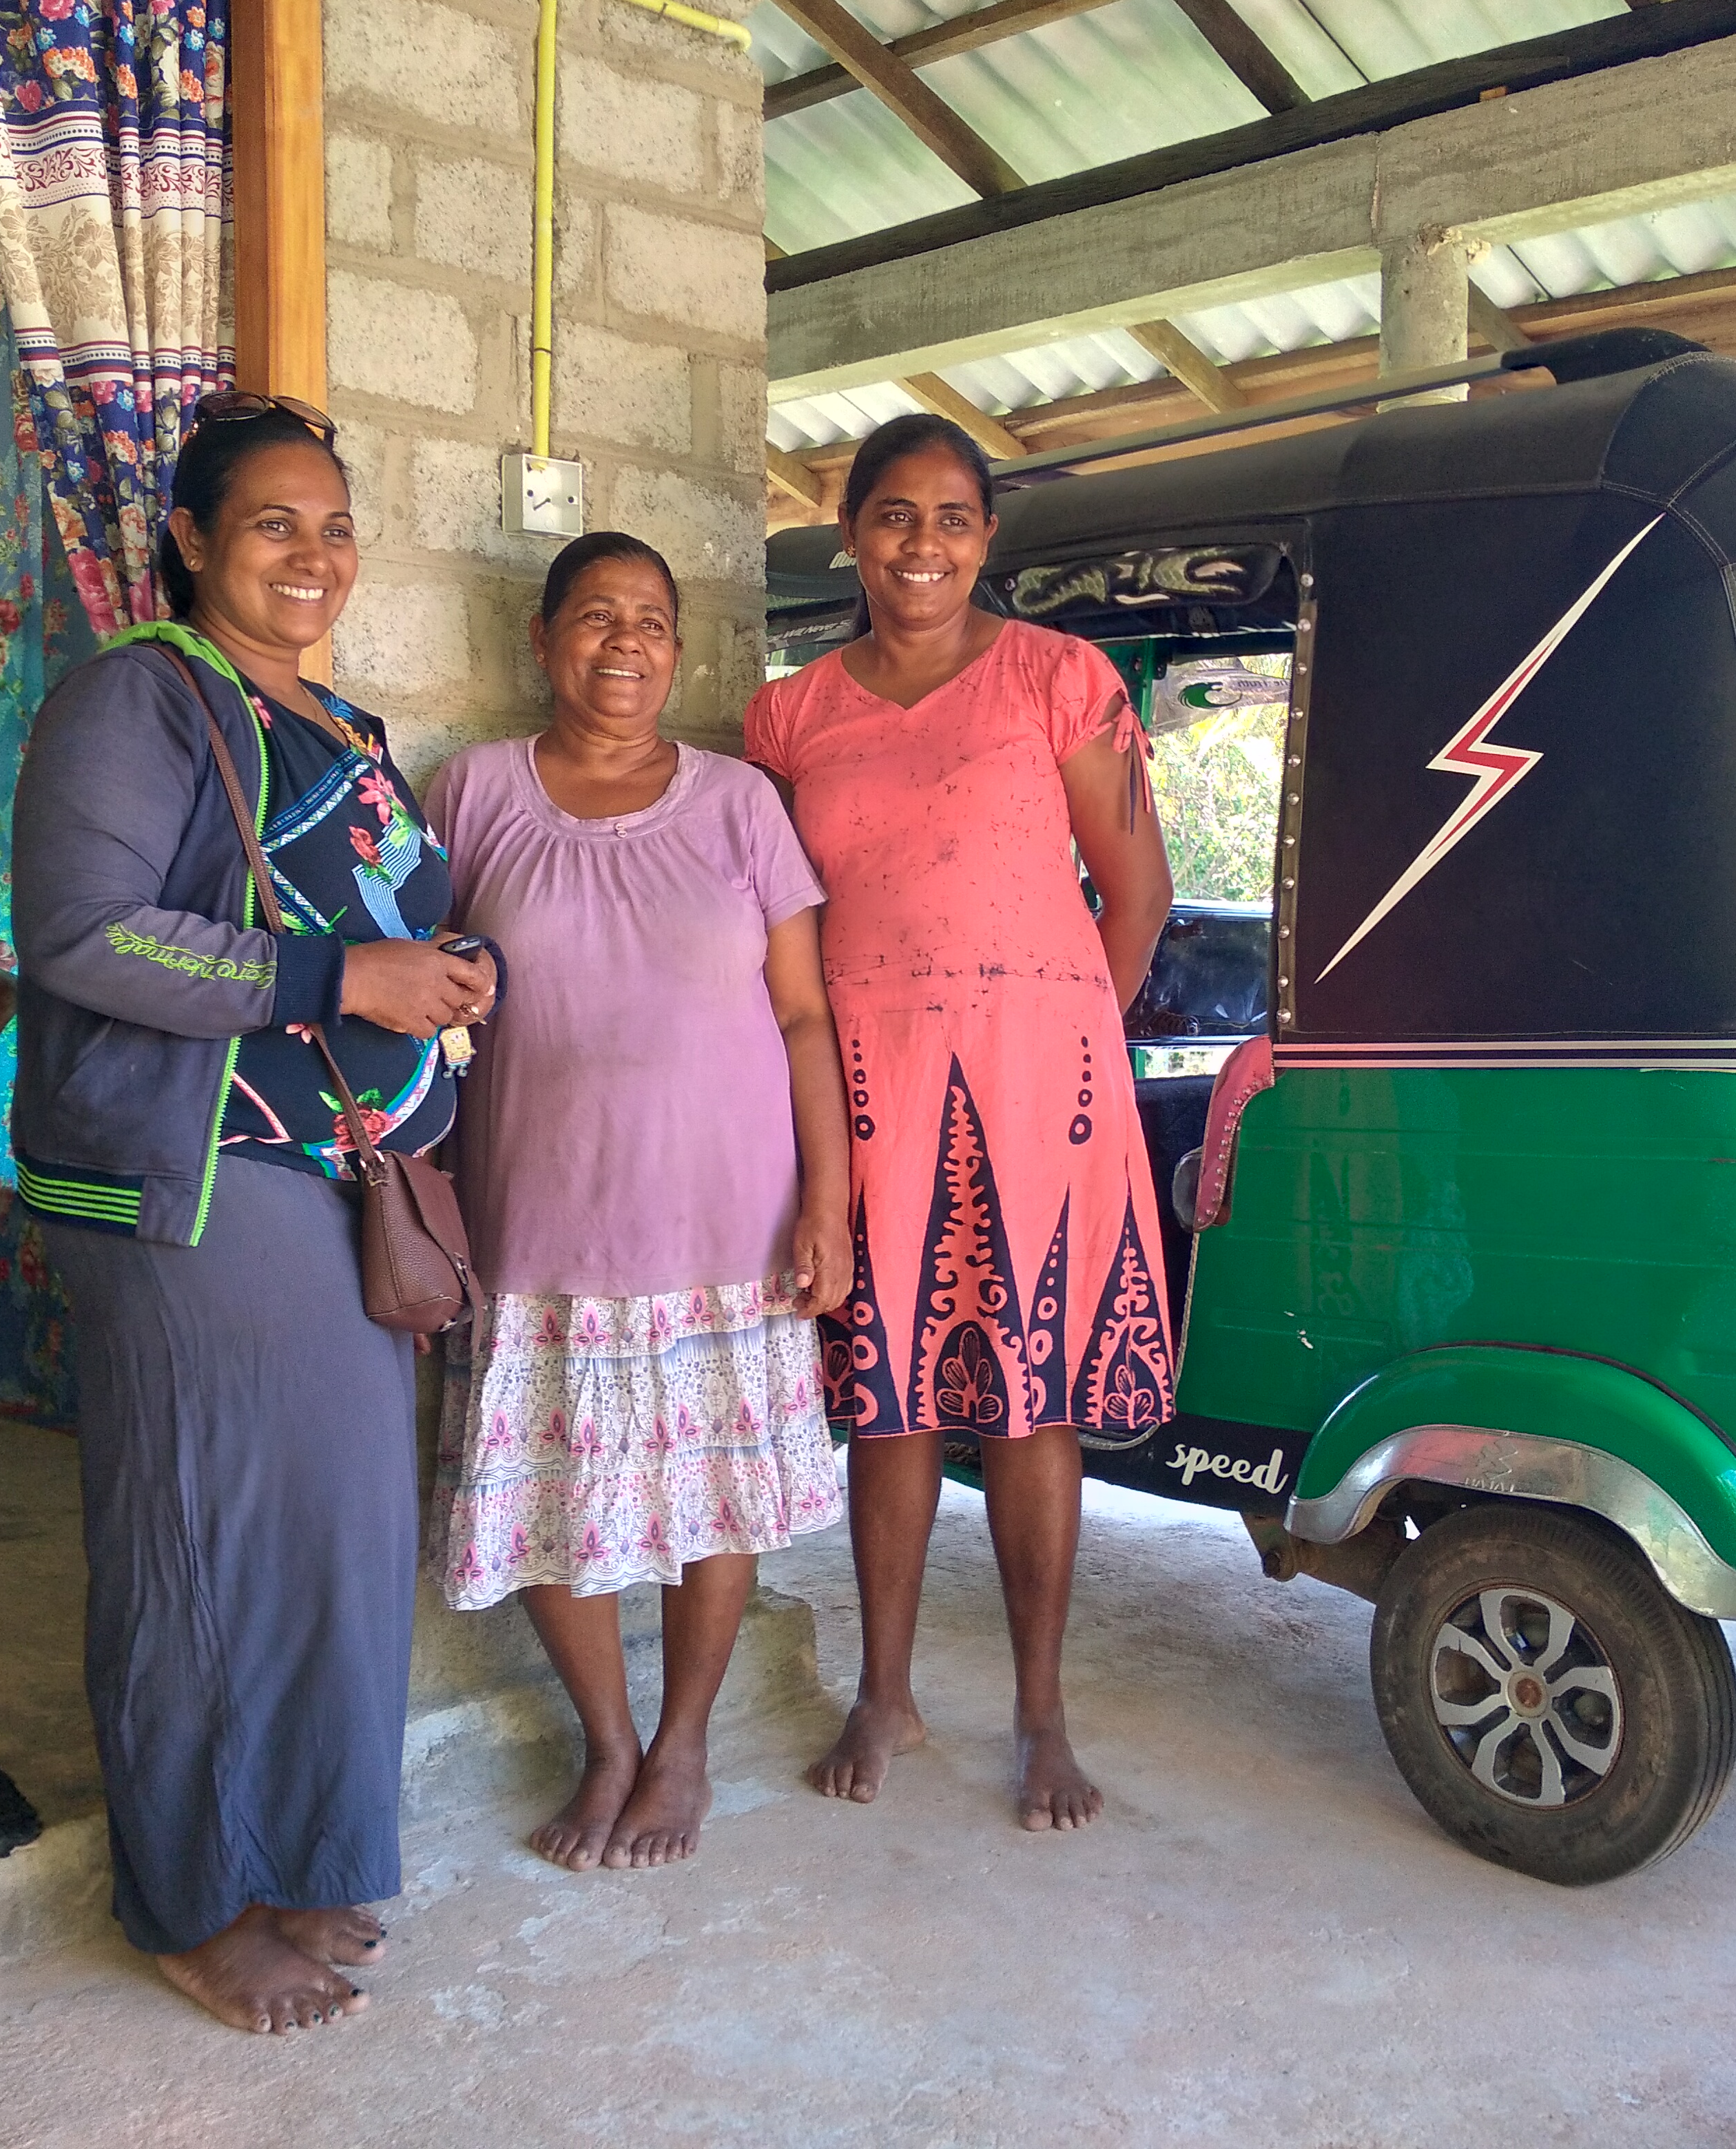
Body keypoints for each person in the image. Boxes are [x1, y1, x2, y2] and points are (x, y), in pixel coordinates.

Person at [10, 394, 502, 2033]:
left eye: (336, 524)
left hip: (332, 1185)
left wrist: (444, 970)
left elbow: (384, 909)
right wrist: (332, 975)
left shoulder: (340, 731)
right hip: (195, 1179)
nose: (313, 554)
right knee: (201, 1546)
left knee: (334, 1545)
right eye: (274, 524)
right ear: (195, 542)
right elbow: (82, 935)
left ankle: (297, 1852)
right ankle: (190, 1897)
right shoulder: (136, 698)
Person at [742, 413, 1177, 1833]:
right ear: (850, 533)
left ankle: (1042, 1716)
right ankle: (885, 1690)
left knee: (1032, 1397)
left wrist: (1066, 1056)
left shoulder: (1060, 679)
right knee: (891, 1399)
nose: (920, 544)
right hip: (870, 1094)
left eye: (950, 518)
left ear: (985, 538)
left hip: (1040, 1093)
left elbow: (1138, 893)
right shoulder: (789, 717)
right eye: (891, 516)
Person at [431, 532, 851, 1870]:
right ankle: (607, 1742)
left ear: (681, 648)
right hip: (541, 1222)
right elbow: (419, 997)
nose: (627, 644)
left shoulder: (739, 805)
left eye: (654, 622)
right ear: (544, 639)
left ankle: (682, 1748)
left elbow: (800, 1013)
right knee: (557, 1496)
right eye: (597, 616)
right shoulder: (473, 795)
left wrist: (827, 1201)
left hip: (728, 1222)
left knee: (713, 1496)